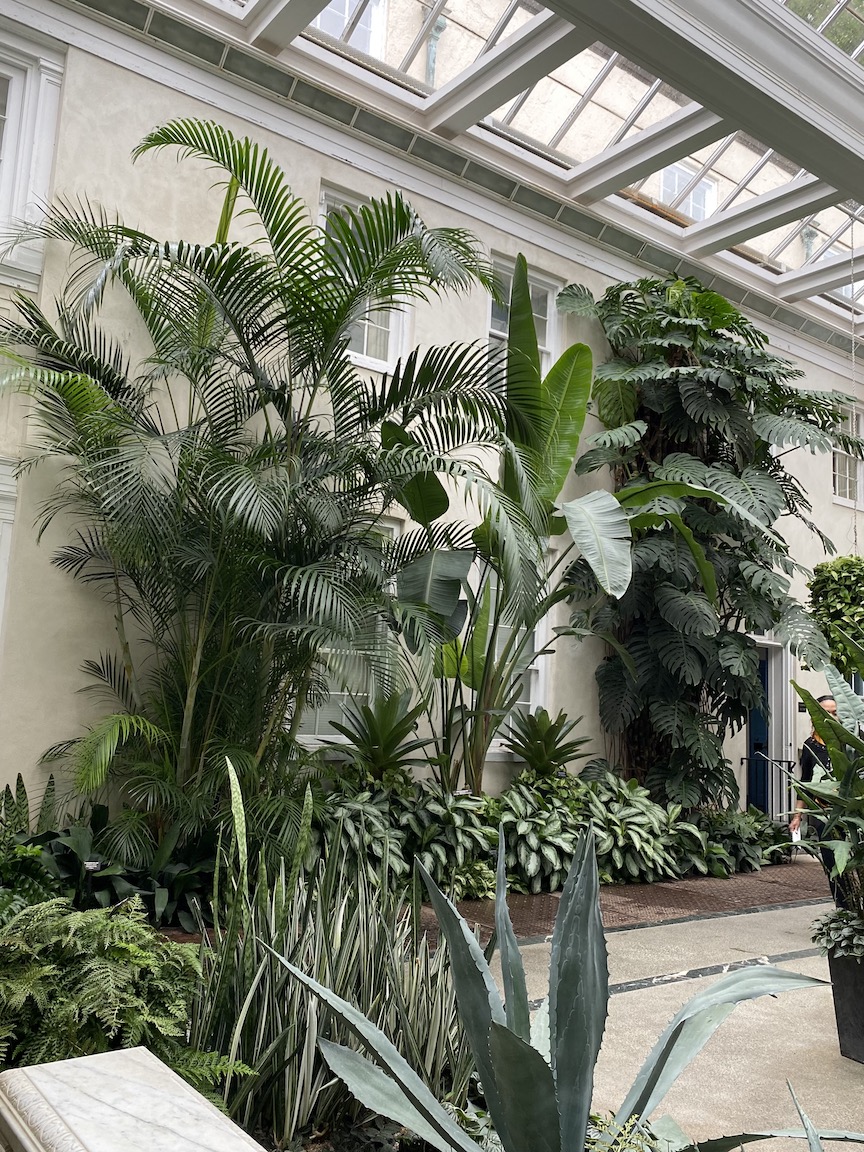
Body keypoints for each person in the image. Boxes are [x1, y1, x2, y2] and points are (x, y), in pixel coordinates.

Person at [790, 694, 844, 906]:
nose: (831, 717)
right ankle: (842, 908)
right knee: (832, 863)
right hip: (824, 814)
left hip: (850, 812)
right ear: (815, 716)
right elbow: (805, 783)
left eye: (834, 712)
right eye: (826, 712)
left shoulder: (848, 741)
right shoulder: (810, 746)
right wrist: (797, 816)